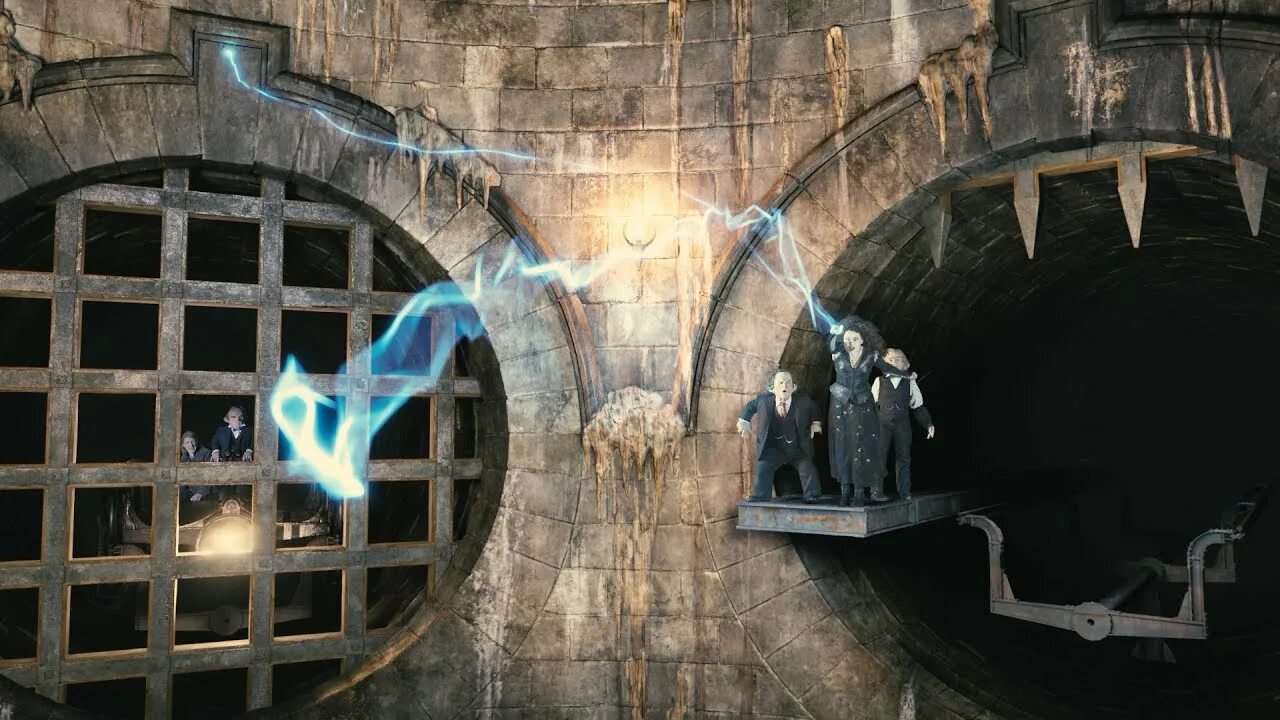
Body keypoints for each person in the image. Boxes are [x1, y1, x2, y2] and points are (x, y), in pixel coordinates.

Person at [827, 315, 913, 507]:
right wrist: (835, 334)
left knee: (860, 446)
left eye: (854, 339)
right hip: (840, 404)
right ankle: (844, 492)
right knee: (842, 446)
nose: (849, 342)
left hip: (862, 404)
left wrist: (906, 375)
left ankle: (859, 492)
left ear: (862, 340)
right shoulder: (838, 353)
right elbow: (832, 345)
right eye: (847, 339)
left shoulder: (871, 355)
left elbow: (887, 367)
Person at [737, 369, 823, 503]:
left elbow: (814, 408)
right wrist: (744, 420)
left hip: (797, 449)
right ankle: (761, 496)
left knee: (807, 467)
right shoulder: (763, 401)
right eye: (781, 382)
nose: (785, 385)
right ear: (772, 388)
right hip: (773, 449)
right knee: (763, 467)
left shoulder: (803, 402)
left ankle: (812, 495)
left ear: (794, 387)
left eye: (788, 382)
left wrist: (816, 422)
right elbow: (749, 407)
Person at [871, 349, 935, 501]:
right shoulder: (879, 381)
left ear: (903, 363)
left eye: (897, 359)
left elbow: (918, 406)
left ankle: (904, 492)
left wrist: (928, 423)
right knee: (879, 456)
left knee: (903, 458)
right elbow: (870, 404)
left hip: (902, 424)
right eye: (890, 359)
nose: (894, 361)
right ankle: (876, 491)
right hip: (882, 424)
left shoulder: (909, 382)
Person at [178, 430, 211, 502]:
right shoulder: (183, 458)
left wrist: (200, 493)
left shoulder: (206, 453)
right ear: (183, 445)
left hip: (204, 492)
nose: (191, 445)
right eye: (187, 443)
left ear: (196, 442)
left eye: (193, 441)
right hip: (188, 492)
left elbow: (209, 476)